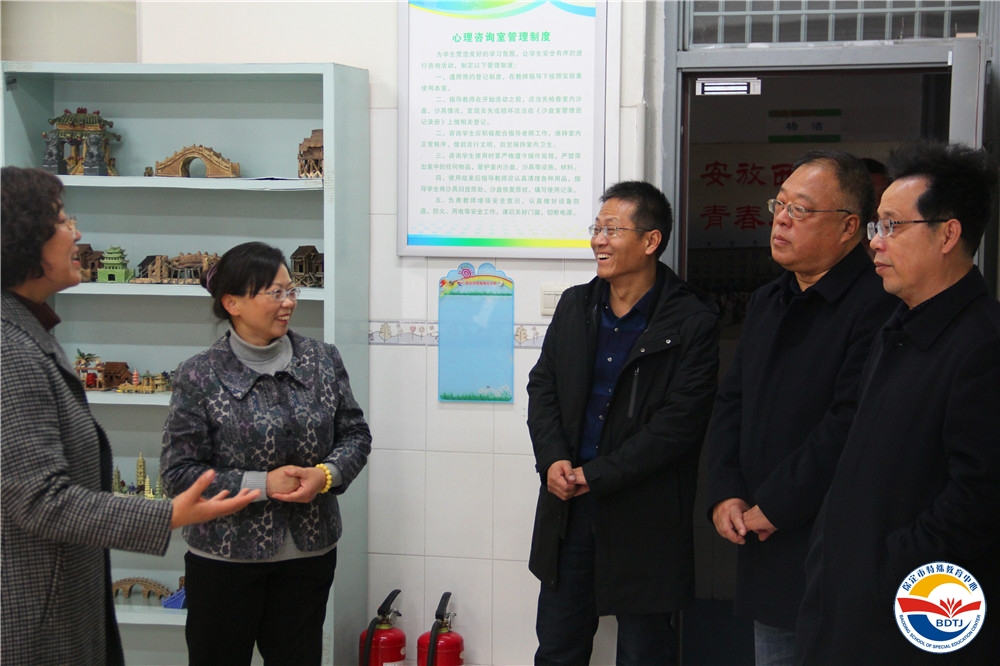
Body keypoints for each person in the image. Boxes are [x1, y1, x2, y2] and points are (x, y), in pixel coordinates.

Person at [0, 166, 259, 665]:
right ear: (22, 238)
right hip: (34, 618)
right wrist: (169, 514)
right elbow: (39, 501)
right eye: (61, 220)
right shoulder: (9, 348)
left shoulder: (27, 331)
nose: (77, 233)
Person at [795, 142, 1000, 665]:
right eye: (876, 226)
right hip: (851, 601)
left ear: (947, 234)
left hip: (913, 613)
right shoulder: (899, 326)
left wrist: (889, 567)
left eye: (891, 226)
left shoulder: (983, 343)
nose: (875, 242)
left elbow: (976, 498)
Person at [704, 150, 898, 665]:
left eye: (801, 210)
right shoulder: (769, 300)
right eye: (780, 205)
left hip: (833, 541)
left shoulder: (879, 303)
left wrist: (778, 504)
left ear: (849, 227)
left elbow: (850, 422)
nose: (781, 220)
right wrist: (725, 491)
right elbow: (731, 401)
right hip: (763, 536)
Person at [527, 181, 720, 665]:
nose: (598, 240)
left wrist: (598, 474)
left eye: (612, 230)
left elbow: (680, 423)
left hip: (645, 513)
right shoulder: (576, 305)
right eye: (596, 229)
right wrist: (552, 458)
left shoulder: (692, 318)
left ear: (651, 240)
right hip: (569, 507)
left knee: (643, 652)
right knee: (558, 647)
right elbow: (543, 386)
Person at [159, 241, 371, 665]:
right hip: (223, 561)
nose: (288, 302)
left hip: (308, 558)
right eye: (275, 293)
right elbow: (179, 474)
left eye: (291, 290)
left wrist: (326, 475)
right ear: (232, 303)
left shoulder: (322, 360)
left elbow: (355, 434)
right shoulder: (199, 374)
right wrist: (261, 485)